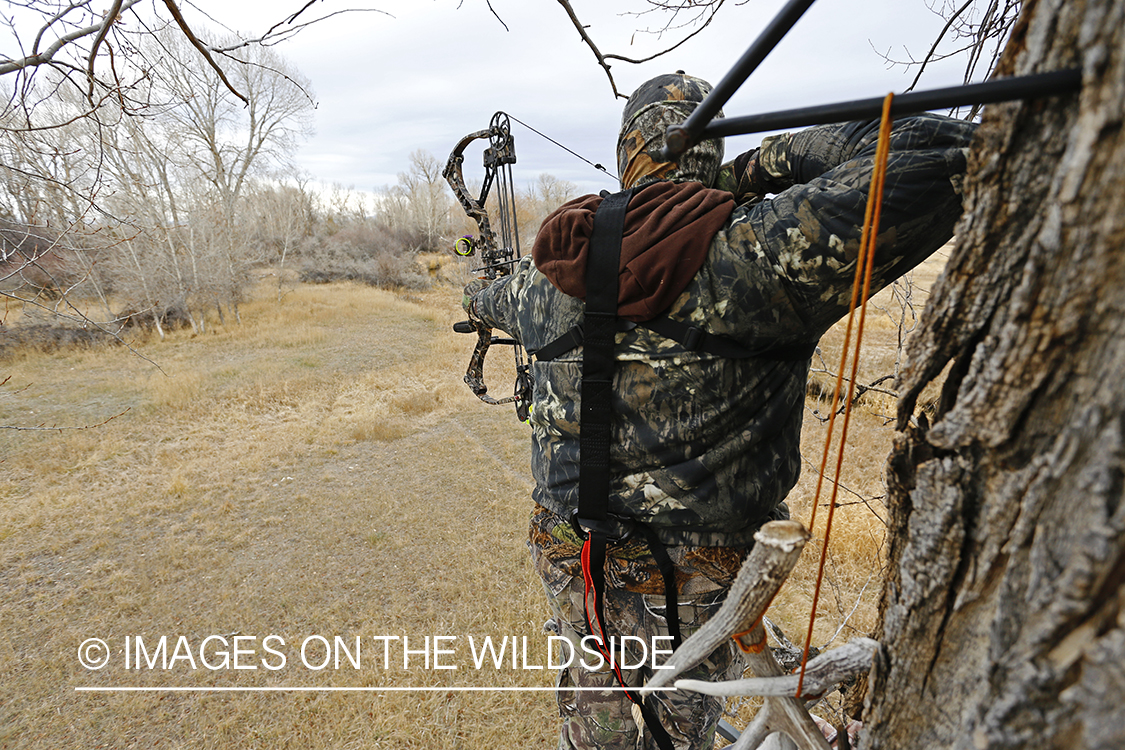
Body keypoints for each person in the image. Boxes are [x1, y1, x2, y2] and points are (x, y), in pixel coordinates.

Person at [462, 72, 978, 749]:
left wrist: (476, 283)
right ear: (712, 146)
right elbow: (944, 152)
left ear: (626, 150)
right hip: (691, 571)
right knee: (669, 726)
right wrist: (759, 165)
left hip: (568, 543)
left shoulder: (545, 275)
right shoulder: (755, 249)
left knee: (598, 707)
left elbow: (484, 297)